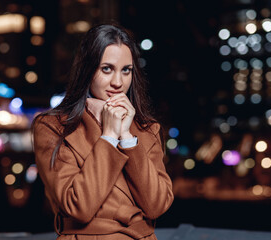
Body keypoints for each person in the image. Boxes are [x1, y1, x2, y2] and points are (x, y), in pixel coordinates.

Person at [32, 23, 174, 240]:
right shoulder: (52, 128)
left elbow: (156, 205)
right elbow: (79, 206)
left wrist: (127, 137)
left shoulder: (148, 129)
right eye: (106, 69)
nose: (118, 82)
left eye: (126, 70)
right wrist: (108, 136)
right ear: (87, 70)